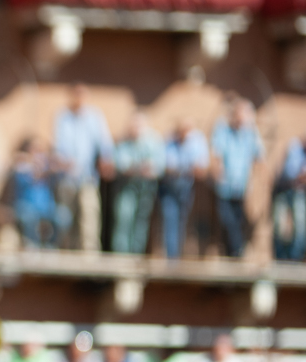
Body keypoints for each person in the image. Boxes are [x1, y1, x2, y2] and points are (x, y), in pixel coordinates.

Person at [51, 84, 113, 252]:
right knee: (65, 216)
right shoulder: (63, 117)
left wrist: (105, 160)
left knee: (89, 213)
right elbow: (58, 146)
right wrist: (62, 161)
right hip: (67, 177)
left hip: (88, 176)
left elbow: (104, 143)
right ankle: (66, 250)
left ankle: (89, 253)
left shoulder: (95, 117)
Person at [211, 98, 262, 258]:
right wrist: (218, 173)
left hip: (242, 186)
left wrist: (255, 181)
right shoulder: (222, 129)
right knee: (227, 220)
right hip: (224, 185)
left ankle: (235, 254)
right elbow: (216, 154)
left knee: (238, 221)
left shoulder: (250, 133)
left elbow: (259, 157)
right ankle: (235, 251)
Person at [111, 112, 164, 255]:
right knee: (124, 218)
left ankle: (136, 254)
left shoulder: (153, 141)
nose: (135, 129)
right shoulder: (124, 142)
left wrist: (149, 168)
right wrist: (139, 167)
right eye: (133, 125)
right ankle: (121, 255)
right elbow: (121, 164)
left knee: (141, 222)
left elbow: (160, 165)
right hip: (127, 186)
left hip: (146, 187)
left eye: (138, 126)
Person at [159, 119, 210, 258]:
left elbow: (201, 169)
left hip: (186, 188)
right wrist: (185, 169)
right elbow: (165, 166)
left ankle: (177, 256)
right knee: (170, 220)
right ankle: (171, 259)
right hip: (169, 188)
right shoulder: (169, 141)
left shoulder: (196, 142)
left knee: (182, 222)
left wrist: (182, 170)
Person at [275, 132, 306, 261]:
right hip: (284, 189)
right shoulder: (295, 146)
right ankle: (281, 258)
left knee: (300, 228)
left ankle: (295, 258)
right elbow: (291, 173)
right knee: (280, 228)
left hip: (299, 192)